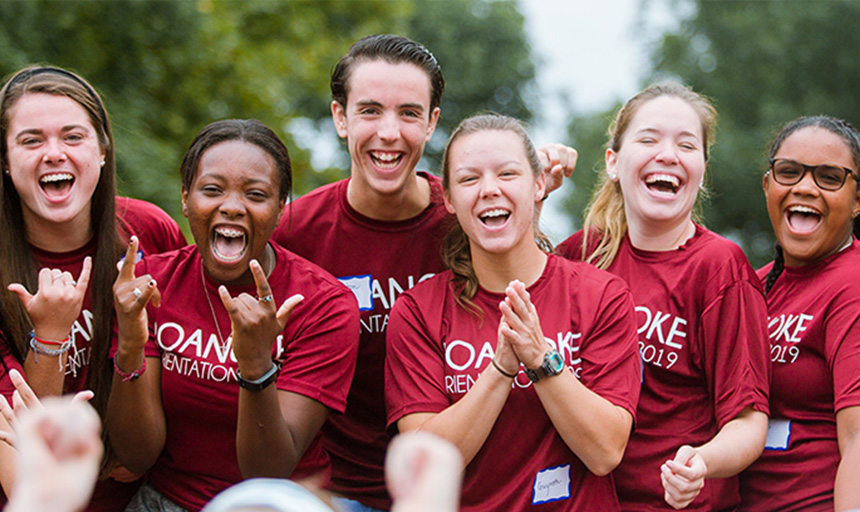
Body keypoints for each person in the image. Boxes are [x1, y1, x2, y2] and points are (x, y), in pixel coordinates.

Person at [271, 34, 576, 512]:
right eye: (370, 111)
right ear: (339, 118)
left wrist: (532, 191)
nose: (389, 133)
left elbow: (546, 279)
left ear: (432, 122)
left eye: (409, 113)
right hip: (333, 490)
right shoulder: (293, 232)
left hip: (456, 489)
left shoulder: (465, 218)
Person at [385, 114, 640, 511]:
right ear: (449, 200)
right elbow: (423, 466)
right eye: (469, 179)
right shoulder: (417, 312)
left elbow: (605, 451)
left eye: (507, 174)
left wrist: (541, 360)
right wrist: (501, 368)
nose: (489, 190)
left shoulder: (601, 294)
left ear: (538, 185)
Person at [106, 119, 360, 512]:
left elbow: (269, 471)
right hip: (167, 500)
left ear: (280, 210)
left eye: (256, 195)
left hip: (275, 503)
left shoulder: (324, 305)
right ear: (186, 199)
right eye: (212, 190)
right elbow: (137, 455)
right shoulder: (152, 284)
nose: (232, 207)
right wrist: (131, 344)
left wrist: (258, 367)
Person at [555, 82, 770, 510]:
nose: (668, 155)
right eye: (649, 139)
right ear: (613, 162)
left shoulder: (719, 266)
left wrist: (701, 464)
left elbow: (748, 421)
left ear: (703, 168)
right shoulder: (579, 254)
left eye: (687, 145)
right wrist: (535, 190)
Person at [0, 65, 187, 510]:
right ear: (5, 161)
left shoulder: (148, 230)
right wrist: (48, 335)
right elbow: (21, 449)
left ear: (103, 149)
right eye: (31, 140)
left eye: (73, 136)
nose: (54, 153)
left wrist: (143, 447)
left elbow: (185, 368)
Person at [738, 116, 860, 512]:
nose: (804, 187)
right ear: (767, 185)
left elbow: (858, 437)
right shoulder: (750, 286)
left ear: (858, 200)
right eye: (788, 172)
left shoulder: (852, 284)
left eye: (829, 177)